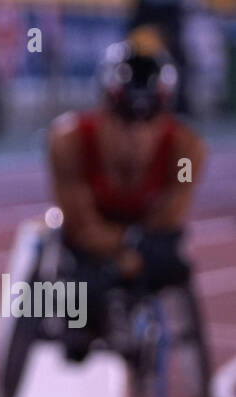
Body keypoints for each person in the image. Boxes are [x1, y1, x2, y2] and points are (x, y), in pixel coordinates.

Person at [46, 27, 204, 362]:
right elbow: (80, 222)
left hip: (150, 236)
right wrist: (120, 252)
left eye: (148, 118)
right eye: (126, 118)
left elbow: (172, 214)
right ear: (106, 106)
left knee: (173, 264)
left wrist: (135, 251)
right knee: (78, 305)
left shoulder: (187, 150)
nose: (137, 133)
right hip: (90, 240)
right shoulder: (68, 141)